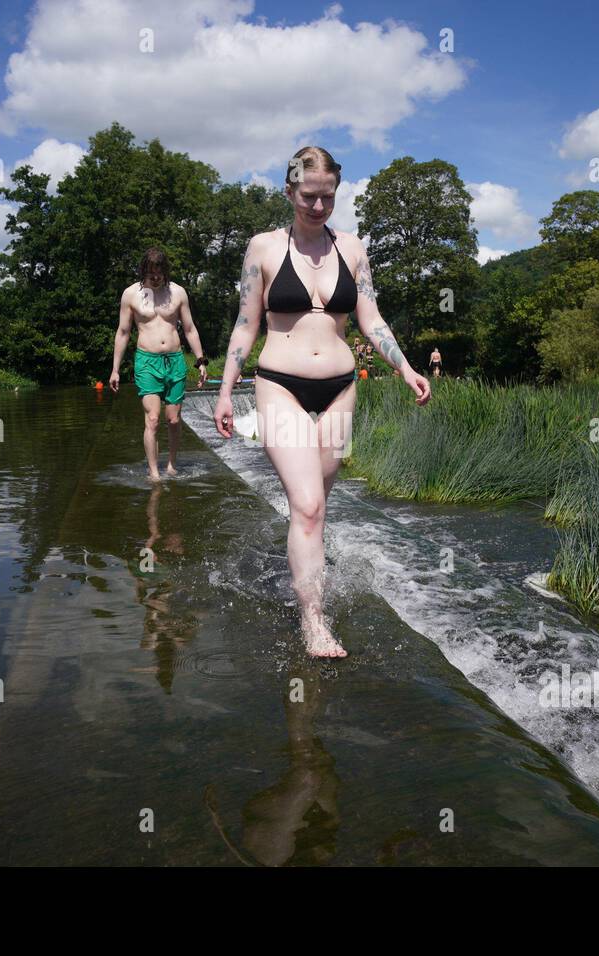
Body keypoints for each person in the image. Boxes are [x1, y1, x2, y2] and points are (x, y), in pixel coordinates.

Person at [213, 146, 431, 658]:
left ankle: (307, 576)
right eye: (308, 196)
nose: (317, 206)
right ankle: (314, 623)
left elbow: (370, 319)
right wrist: (226, 388)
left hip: (340, 388)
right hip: (280, 384)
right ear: (289, 191)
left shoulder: (353, 249)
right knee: (308, 506)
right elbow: (247, 323)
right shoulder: (263, 248)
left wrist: (404, 366)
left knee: (316, 508)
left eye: (327, 197)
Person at [110, 248, 208, 482]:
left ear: (166, 272)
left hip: (175, 360)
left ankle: (172, 465)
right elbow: (123, 332)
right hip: (147, 362)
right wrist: (115, 369)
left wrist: (201, 361)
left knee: (173, 420)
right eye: (151, 273)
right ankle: (154, 473)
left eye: (160, 273)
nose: (156, 278)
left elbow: (189, 328)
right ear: (143, 271)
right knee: (153, 418)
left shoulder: (178, 293)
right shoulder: (130, 295)